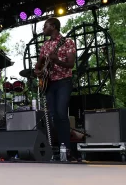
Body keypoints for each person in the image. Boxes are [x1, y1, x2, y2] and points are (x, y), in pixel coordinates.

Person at [34, 17, 76, 157]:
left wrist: (57, 60)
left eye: (45, 26)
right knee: (53, 116)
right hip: (49, 83)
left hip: (64, 81)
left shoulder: (68, 42)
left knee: (61, 113)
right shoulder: (45, 45)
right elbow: (38, 65)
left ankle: (66, 148)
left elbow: (71, 64)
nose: (43, 29)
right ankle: (56, 148)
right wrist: (38, 72)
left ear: (53, 26)